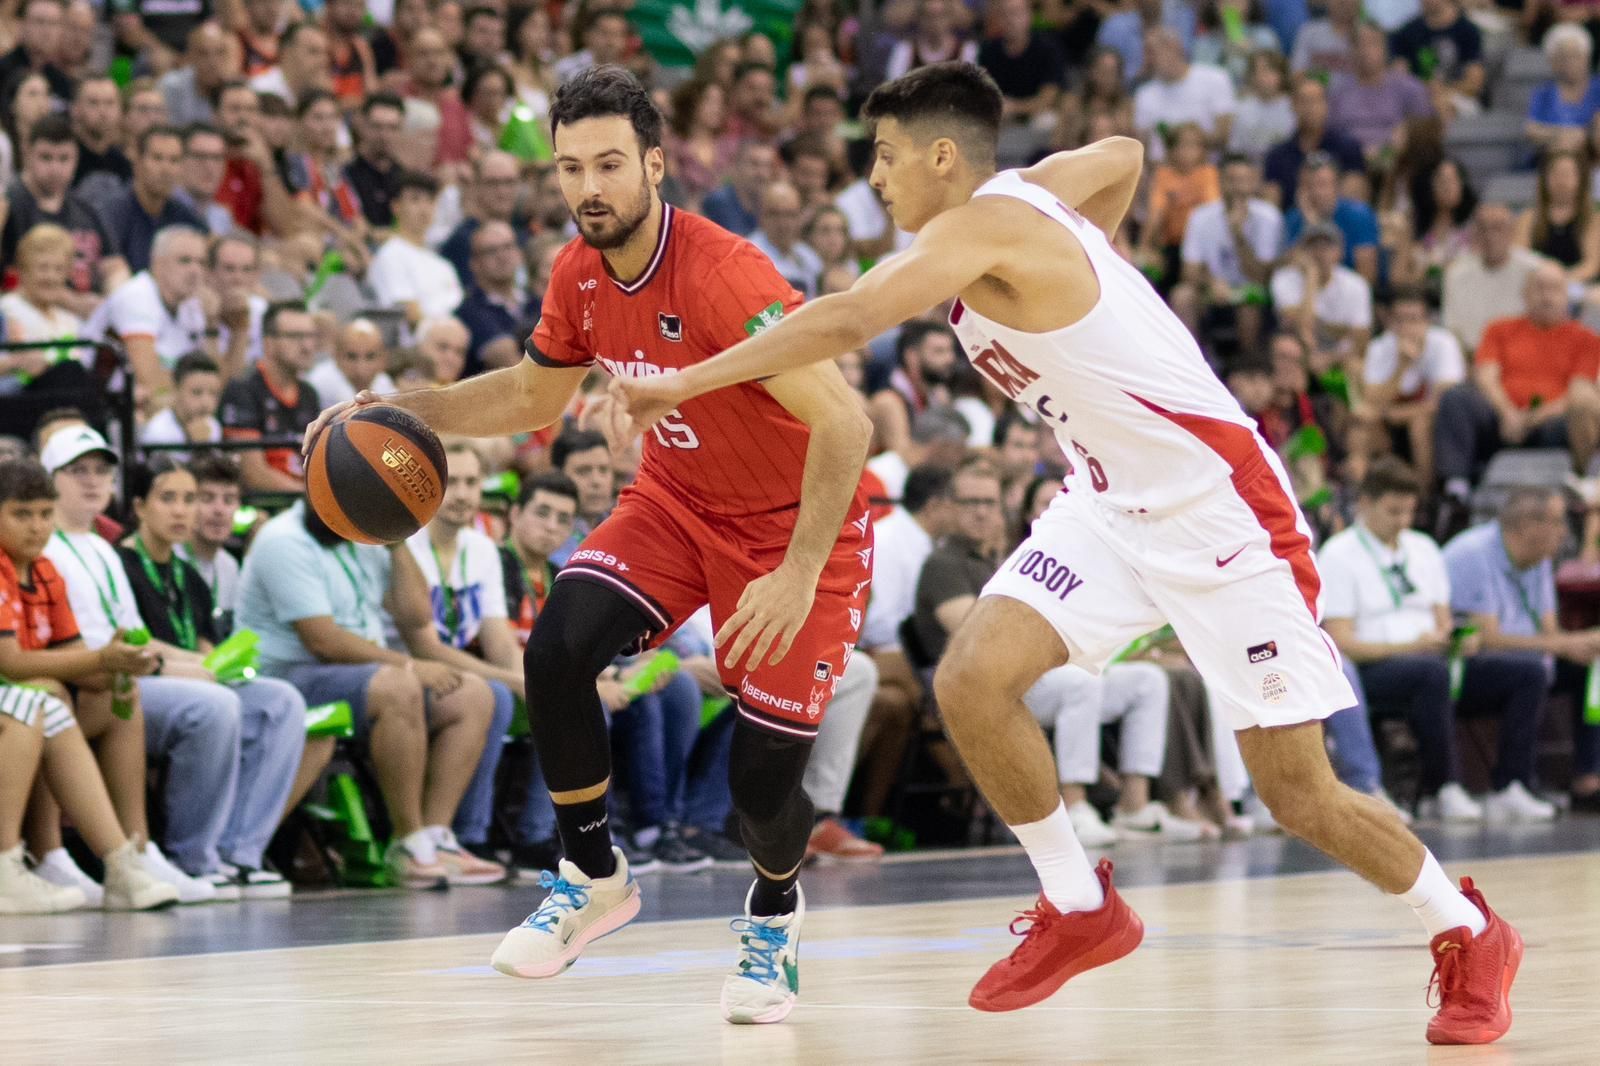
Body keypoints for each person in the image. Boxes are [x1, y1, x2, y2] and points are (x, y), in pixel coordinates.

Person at [615, 61, 1522, 1044]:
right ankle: (1080, 903)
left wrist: (684, 381)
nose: (874, 179)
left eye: (883, 157)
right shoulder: (1029, 202)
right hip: (1106, 505)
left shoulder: (988, 225)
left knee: (1295, 791)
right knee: (970, 680)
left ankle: (1470, 930)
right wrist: (1099, 271)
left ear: (941, 156)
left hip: (1220, 515)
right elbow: (1121, 155)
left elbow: (843, 321)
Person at [304, 65, 875, 1024]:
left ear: (656, 164)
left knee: (760, 785)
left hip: (795, 533)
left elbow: (847, 428)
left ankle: (774, 913)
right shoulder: (577, 271)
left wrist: (799, 571)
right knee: (557, 644)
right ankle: (593, 872)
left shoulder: (726, 269)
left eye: (609, 164)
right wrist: (404, 406)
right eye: (570, 168)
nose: (588, 188)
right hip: (677, 502)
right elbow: (534, 396)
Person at [237, 498, 505, 887]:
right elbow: (323, 642)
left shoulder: (364, 534)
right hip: (289, 678)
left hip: (360, 674)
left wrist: (397, 541)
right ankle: (408, 841)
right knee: (399, 686)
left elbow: (416, 615)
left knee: (473, 695)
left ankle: (435, 837)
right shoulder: (284, 539)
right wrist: (408, 666)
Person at [117, 457, 317, 895]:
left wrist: (220, 665)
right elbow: (137, 645)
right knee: (216, 704)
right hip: (142, 683)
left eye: (189, 499)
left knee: (280, 701)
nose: (181, 510)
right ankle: (193, 855)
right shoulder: (122, 564)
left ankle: (239, 852)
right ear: (138, 506)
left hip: (192, 678)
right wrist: (199, 669)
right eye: (168, 498)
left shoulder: (190, 576)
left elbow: (208, 647)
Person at [1321, 459, 1553, 822]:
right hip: (1374, 670)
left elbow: (1443, 620)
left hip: (1434, 660)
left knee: (1528, 673)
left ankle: (1511, 784)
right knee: (1430, 674)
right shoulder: (1338, 554)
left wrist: (1460, 639)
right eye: (1392, 511)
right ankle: (1441, 787)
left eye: (1409, 512)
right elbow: (1341, 644)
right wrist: (1413, 647)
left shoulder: (1424, 548)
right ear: (1364, 504)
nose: (1402, 521)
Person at [0, 458, 180, 912]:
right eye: (21, 515)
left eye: (44, 513)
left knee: (116, 696)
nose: (36, 527)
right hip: (15, 695)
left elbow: (76, 659)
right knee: (40, 697)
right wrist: (99, 658)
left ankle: (124, 860)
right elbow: (9, 661)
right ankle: (11, 863)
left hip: (20, 698)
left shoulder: (44, 571)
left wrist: (119, 666)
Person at [1443, 488, 1588, 821]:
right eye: (1556, 521)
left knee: (1587, 665)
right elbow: (1489, 639)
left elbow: (1550, 634)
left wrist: (1580, 643)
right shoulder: (1473, 554)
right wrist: (1564, 644)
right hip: (1462, 667)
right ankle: (1510, 784)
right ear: (1527, 525)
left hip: (1525, 660)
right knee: (1528, 672)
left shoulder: (1539, 560)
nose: (1564, 531)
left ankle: (1587, 779)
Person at [1433, 262, 1600, 502]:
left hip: (1553, 425)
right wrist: (1508, 414)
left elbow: (1578, 392)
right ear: (1525, 294)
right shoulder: (1500, 329)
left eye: (1554, 289)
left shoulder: (1587, 340)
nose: (1546, 297)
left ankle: (1582, 483)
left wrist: (1531, 418)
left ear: (1567, 297)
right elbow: (1486, 376)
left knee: (1584, 407)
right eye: (1539, 288)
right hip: (1500, 418)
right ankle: (1455, 489)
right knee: (1456, 397)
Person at [1353, 287, 1463, 488]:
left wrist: (1397, 413)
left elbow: (1444, 401)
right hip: (1390, 420)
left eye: (1413, 319)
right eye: (1400, 320)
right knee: (1363, 423)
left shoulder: (1443, 343)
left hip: (1434, 423)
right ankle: (1372, 491)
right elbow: (1371, 400)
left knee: (1419, 425)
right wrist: (1402, 366)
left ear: (1427, 321)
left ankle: (1422, 496)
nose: (1406, 327)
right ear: (1390, 322)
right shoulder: (1380, 347)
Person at [82, 225, 209, 397]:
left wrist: (213, 325)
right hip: (103, 403)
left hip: (156, 405)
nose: (195, 271)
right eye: (184, 261)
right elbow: (150, 382)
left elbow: (209, 380)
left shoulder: (193, 306)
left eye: (201, 262)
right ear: (157, 264)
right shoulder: (136, 295)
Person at [220, 301, 322, 493]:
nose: (307, 346)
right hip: (263, 507)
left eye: (311, 336)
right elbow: (253, 475)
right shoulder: (244, 390)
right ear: (268, 343)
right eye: (295, 336)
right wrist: (309, 497)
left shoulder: (309, 394)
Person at [96, 125, 207, 273]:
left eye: (174, 160)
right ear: (138, 162)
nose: (166, 169)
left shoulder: (184, 216)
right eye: (157, 158)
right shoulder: (112, 214)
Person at [368, 169, 465, 329]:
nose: (424, 208)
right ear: (396, 206)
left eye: (430, 200)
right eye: (415, 199)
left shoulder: (443, 264)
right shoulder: (391, 254)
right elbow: (409, 314)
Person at [1442, 204, 1542, 356]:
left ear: (1512, 232)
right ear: (1474, 234)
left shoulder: (1535, 270)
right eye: (1483, 229)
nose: (1490, 236)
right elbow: (1452, 331)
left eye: (1498, 228)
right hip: (1470, 358)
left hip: (1522, 357)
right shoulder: (1456, 273)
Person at [175, 452, 244, 636]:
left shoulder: (229, 565)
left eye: (229, 500)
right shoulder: (169, 557)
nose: (219, 510)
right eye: (207, 498)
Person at [140, 352, 223, 460]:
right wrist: (201, 448)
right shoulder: (158, 433)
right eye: (196, 392)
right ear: (176, 389)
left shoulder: (213, 425)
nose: (205, 402)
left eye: (213, 393)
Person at [308, 318, 396, 407]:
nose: (361, 368)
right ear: (336, 356)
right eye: (351, 357)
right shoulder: (317, 385)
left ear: (384, 358)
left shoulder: (384, 383)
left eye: (370, 357)